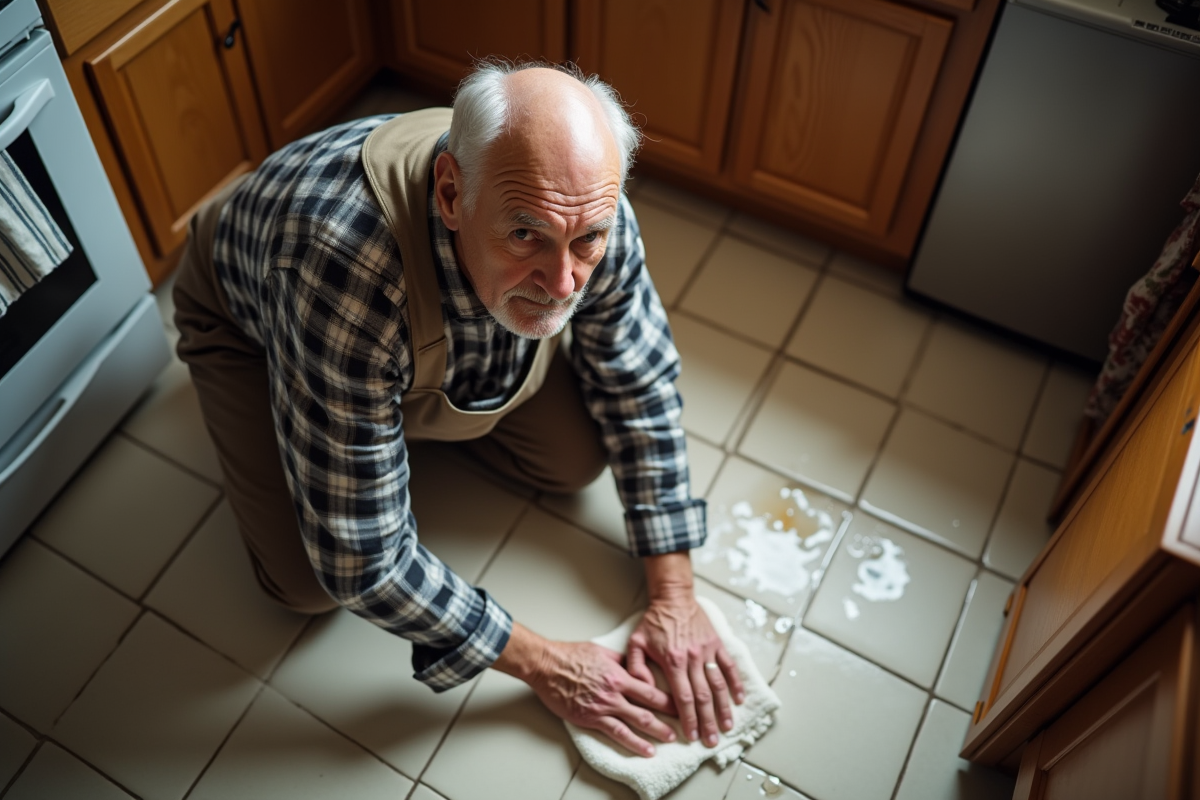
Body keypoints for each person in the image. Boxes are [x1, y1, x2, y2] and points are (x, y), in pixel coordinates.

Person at [173, 61, 743, 758]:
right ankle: (361, 408)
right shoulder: (341, 264)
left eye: (585, 242)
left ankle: (381, 411)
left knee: (572, 461)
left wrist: (674, 594)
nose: (563, 282)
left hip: (387, 333)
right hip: (254, 317)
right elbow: (362, 560)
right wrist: (545, 663)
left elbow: (640, 379)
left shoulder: (587, 205)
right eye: (525, 236)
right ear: (450, 193)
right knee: (304, 583)